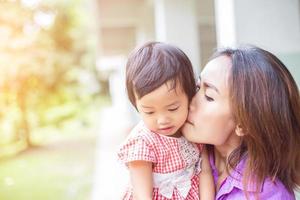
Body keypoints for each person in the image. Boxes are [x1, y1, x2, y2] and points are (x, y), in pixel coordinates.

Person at [182, 45, 300, 200]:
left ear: (243, 123)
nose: (190, 102)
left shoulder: (269, 196)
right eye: (197, 87)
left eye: (209, 96)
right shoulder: (180, 153)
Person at [117, 41, 215, 200]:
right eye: (149, 112)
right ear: (136, 105)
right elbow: (142, 195)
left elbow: (204, 171)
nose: (162, 120)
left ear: (190, 97)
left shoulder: (193, 131)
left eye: (172, 108)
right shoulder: (143, 142)